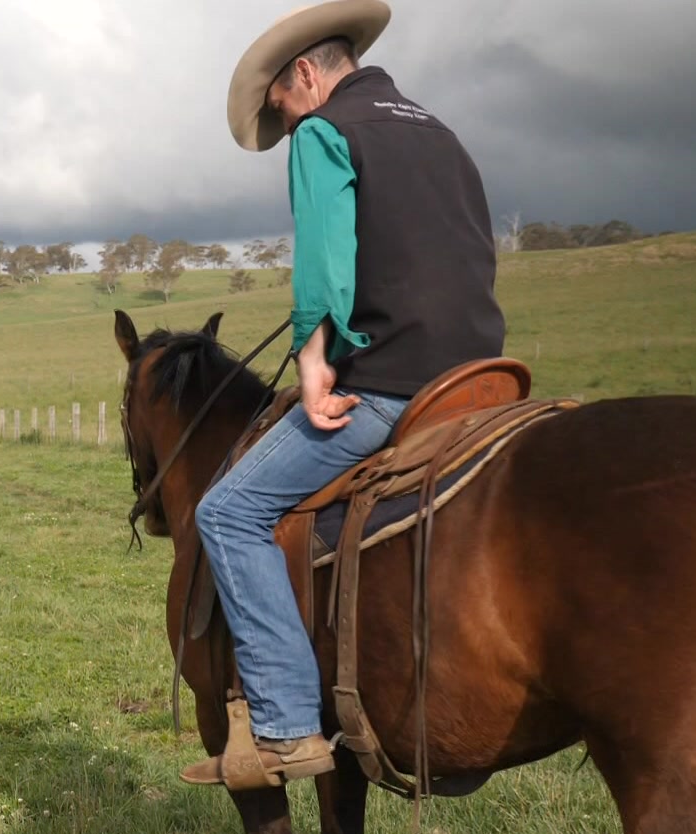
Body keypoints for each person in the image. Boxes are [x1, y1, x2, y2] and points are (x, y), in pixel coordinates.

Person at [182, 0, 506, 787]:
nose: (291, 128)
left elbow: (325, 263)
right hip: (482, 380)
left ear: (304, 75)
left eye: (284, 113)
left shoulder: (328, 131)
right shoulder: (442, 134)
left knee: (226, 511)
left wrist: (314, 361)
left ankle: (289, 730)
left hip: (394, 384)